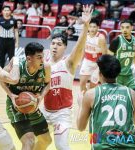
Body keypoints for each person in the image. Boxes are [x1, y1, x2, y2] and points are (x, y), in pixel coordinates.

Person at [41, 5, 92, 150]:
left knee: (61, 146)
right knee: (36, 142)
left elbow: (80, 47)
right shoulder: (43, 64)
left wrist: (86, 25)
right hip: (45, 110)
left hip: (62, 114)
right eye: (53, 43)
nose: (55, 46)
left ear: (65, 48)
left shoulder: (68, 63)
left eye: (59, 44)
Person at [76, 54, 135, 149]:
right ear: (118, 73)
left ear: (100, 73)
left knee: (95, 139)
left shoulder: (91, 95)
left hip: (102, 146)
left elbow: (80, 127)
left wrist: (80, 104)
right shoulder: (131, 93)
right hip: (128, 146)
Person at [0, 42, 52, 150]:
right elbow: (0, 79)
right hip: (16, 106)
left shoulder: (46, 67)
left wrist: (40, 97)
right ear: (29, 59)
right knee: (29, 140)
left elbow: (48, 84)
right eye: (39, 57)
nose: (42, 60)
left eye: (43, 57)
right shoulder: (17, 66)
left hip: (32, 105)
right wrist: (11, 95)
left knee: (46, 140)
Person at [109, 19, 135, 139]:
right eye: (122, 27)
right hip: (117, 77)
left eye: (127, 27)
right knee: (117, 104)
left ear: (132, 28)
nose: (124, 29)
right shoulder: (116, 41)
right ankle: (114, 129)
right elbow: (108, 58)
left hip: (129, 77)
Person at [79, 18, 107, 94]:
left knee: (92, 86)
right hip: (87, 61)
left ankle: (90, 100)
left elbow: (105, 54)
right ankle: (84, 99)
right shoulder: (85, 36)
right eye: (90, 26)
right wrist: (80, 61)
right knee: (82, 83)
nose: (92, 29)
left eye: (94, 27)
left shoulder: (101, 38)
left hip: (97, 64)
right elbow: (83, 50)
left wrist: (103, 67)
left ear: (98, 27)